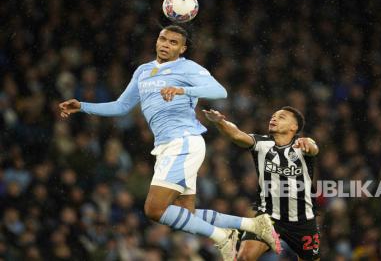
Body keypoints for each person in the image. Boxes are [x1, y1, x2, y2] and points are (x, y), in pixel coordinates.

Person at [58, 25, 280, 261]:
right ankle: (254, 225)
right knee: (187, 214)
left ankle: (222, 236)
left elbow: (220, 91)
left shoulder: (187, 67)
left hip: (183, 142)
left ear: (182, 48)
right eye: (163, 39)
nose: (166, 44)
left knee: (154, 210)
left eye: (173, 42)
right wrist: (83, 106)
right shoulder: (143, 71)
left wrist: (182, 90)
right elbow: (121, 106)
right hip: (168, 146)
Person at [202, 106, 321, 261]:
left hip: (303, 221)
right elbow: (237, 135)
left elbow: (314, 148)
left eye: (281, 117)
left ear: (294, 127)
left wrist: (309, 144)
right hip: (268, 218)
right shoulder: (262, 143)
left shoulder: (302, 145)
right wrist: (220, 122)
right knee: (244, 258)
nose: (274, 118)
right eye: (273, 116)